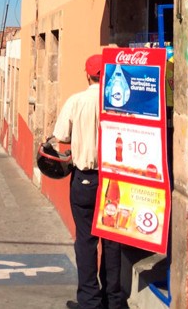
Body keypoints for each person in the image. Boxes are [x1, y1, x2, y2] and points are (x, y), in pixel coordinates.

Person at [52, 54, 126, 309]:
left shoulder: (76, 101)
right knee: (112, 241)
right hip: (113, 181)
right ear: (105, 76)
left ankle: (89, 301)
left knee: (85, 241)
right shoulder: (118, 102)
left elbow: (60, 135)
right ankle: (114, 300)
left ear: (87, 74)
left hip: (84, 179)